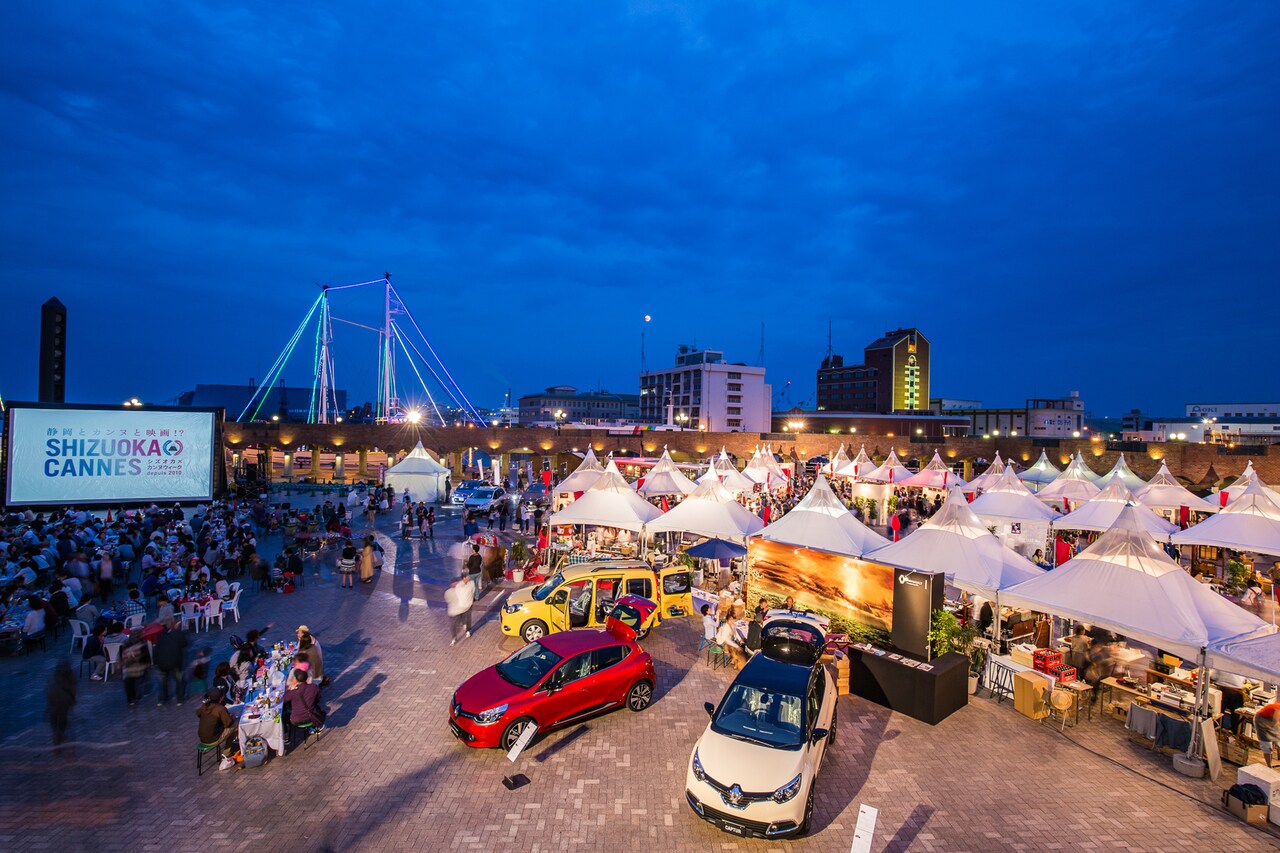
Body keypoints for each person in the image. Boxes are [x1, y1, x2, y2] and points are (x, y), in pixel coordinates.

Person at [153, 620, 191, 706]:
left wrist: (155, 661)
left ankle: (162, 699)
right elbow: (184, 644)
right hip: (175, 662)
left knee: (163, 681)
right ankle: (179, 699)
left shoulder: (162, 635)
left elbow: (156, 649)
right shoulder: (179, 634)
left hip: (162, 662)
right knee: (179, 680)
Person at [196, 689, 238, 762]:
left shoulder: (205, 706)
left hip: (202, 739)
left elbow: (198, 713)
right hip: (213, 739)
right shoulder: (220, 709)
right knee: (236, 725)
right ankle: (227, 753)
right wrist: (232, 717)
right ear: (221, 698)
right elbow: (228, 724)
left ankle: (228, 749)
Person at [46, 659, 76, 755]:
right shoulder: (71, 677)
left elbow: (48, 691)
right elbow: (73, 691)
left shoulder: (53, 677)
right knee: (61, 726)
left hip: (53, 706)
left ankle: (57, 747)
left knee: (55, 728)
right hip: (64, 706)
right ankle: (62, 745)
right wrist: (71, 703)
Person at [280, 668, 325, 732]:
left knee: (283, 713)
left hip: (297, 720)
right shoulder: (314, 687)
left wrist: (290, 689)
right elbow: (317, 699)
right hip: (312, 717)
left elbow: (283, 700)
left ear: (296, 680)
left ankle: (286, 734)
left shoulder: (293, 692)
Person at [445, 572, 475, 645]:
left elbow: (471, 591)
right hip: (454, 611)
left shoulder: (465, 586)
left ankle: (466, 629)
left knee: (467, 618)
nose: (456, 584)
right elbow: (449, 600)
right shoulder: (450, 591)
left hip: (464, 606)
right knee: (453, 625)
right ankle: (454, 637)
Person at [1254, 699, 1280, 768]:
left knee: (1278, 741)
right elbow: (1275, 721)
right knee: (1267, 746)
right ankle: (1269, 766)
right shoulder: (1278, 708)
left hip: (1271, 721)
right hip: (1261, 721)